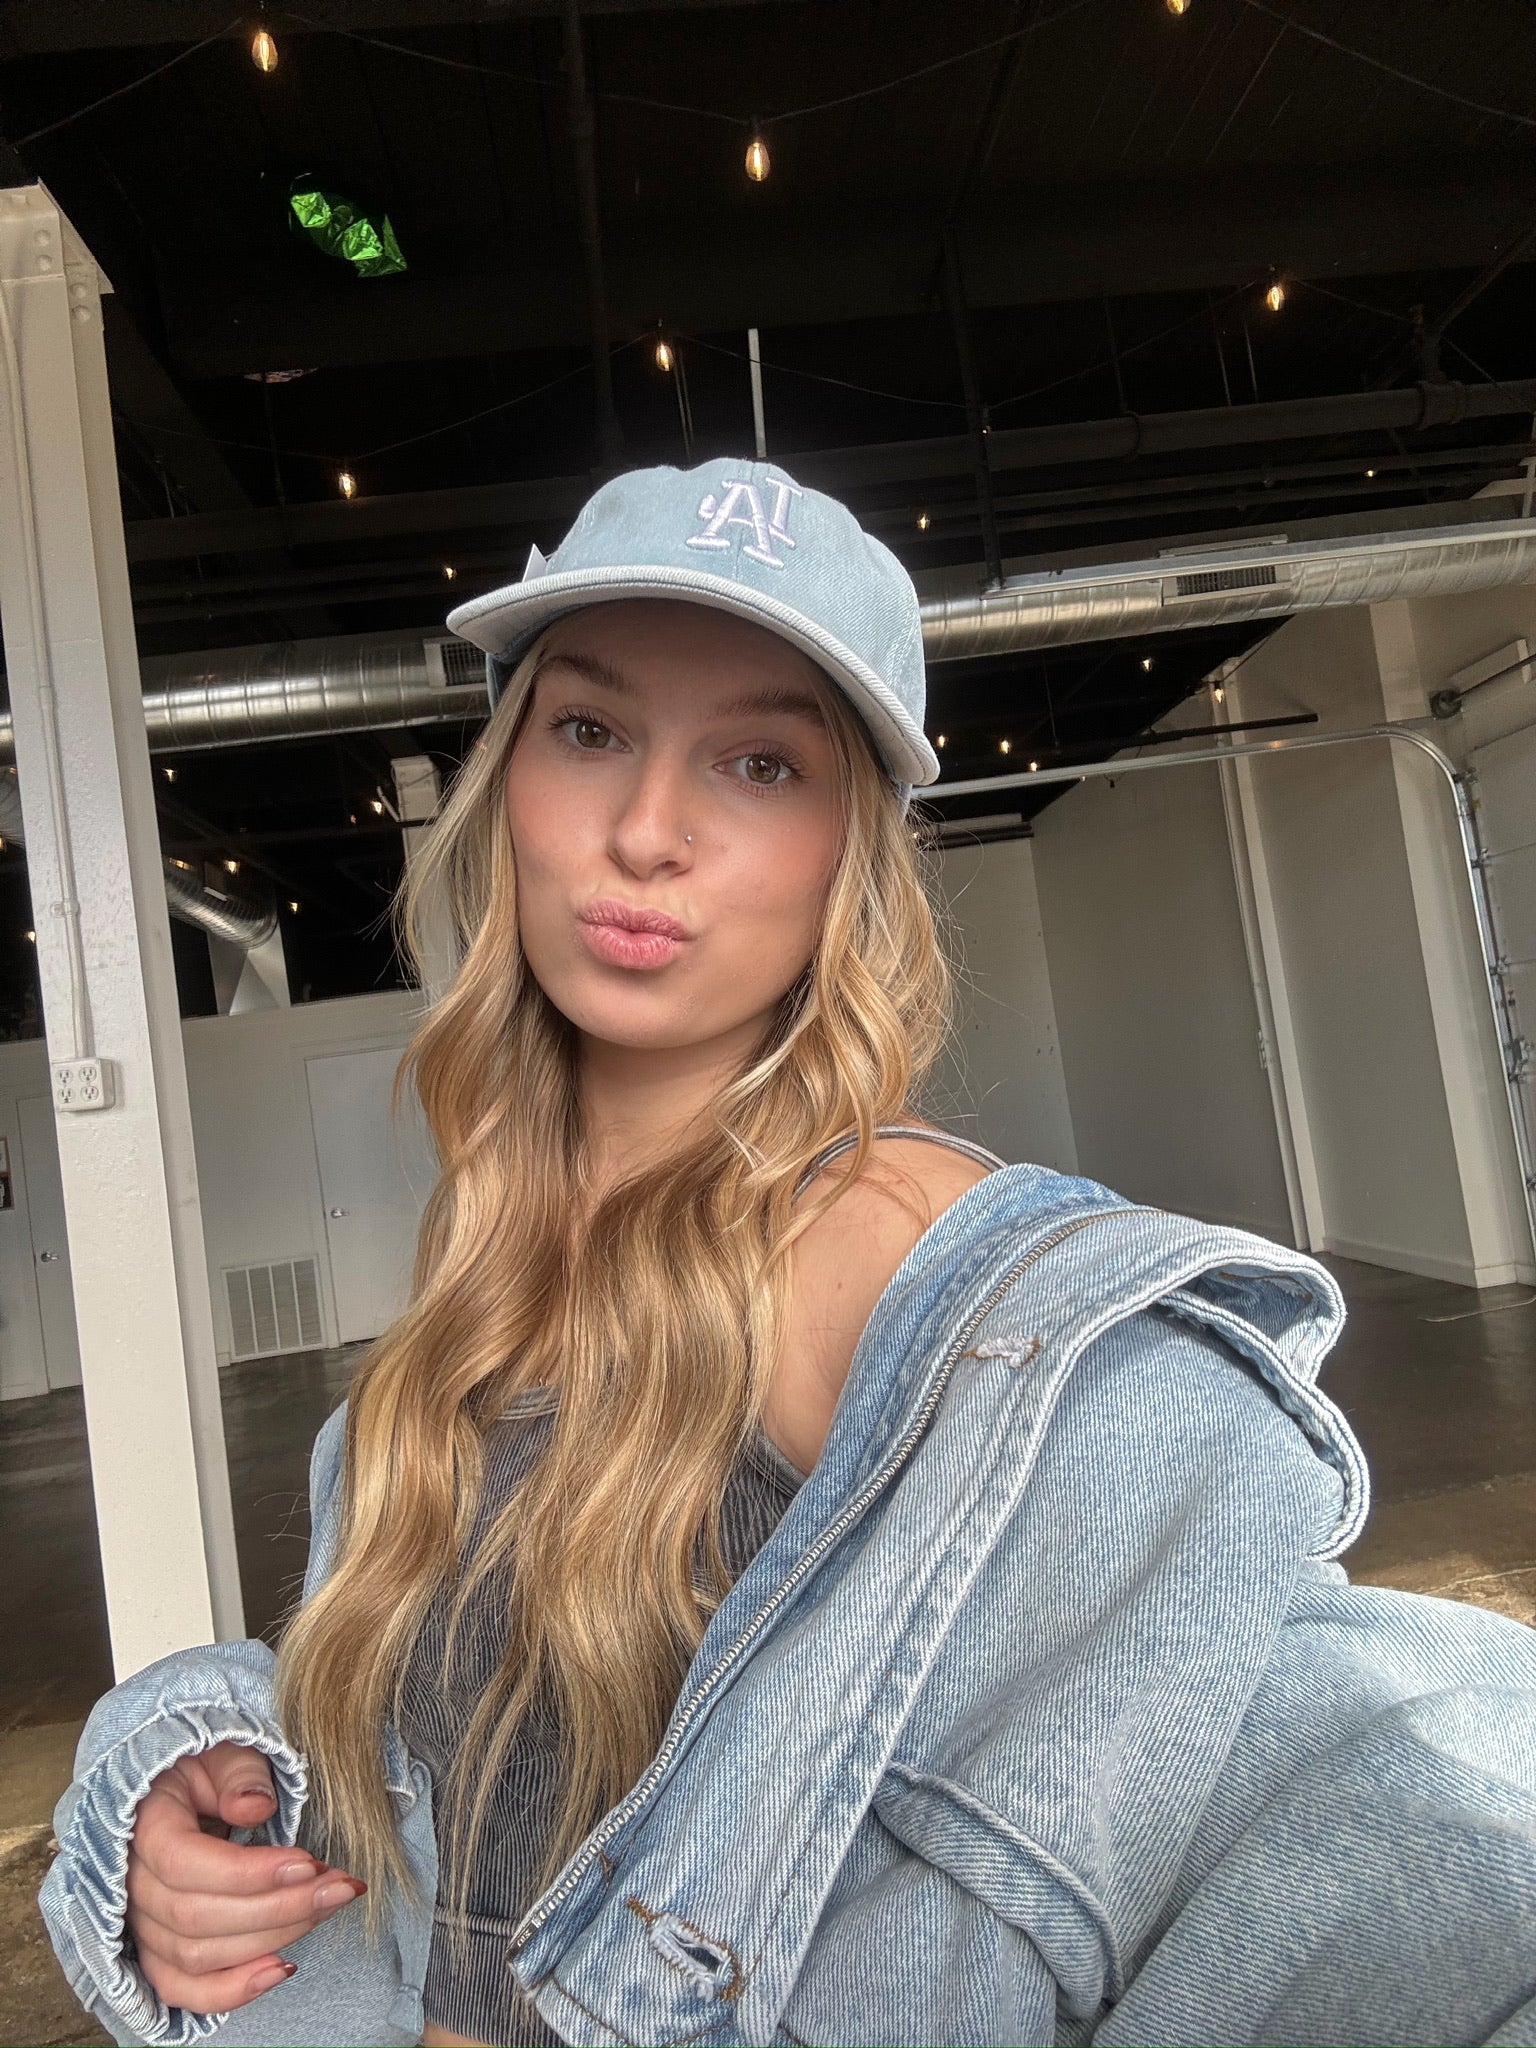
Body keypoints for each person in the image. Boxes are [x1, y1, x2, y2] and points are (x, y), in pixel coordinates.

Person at [39, 459, 1536, 2048]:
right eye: (591, 731)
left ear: (851, 851)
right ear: (507, 779)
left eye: (760, 763)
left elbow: (1377, 1766)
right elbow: (445, 1752)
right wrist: (198, 1784)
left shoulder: (889, 1255)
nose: (646, 831)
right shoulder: (489, 1238)